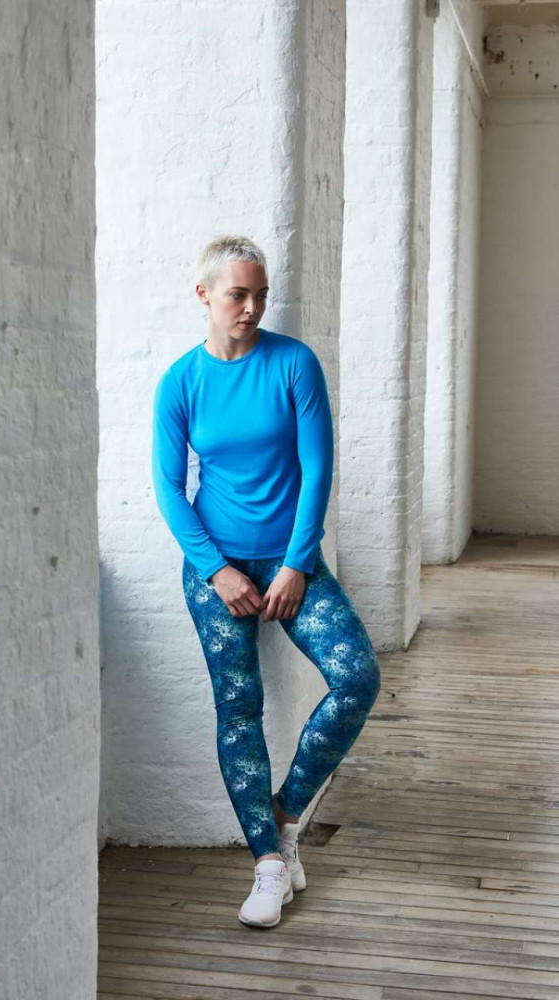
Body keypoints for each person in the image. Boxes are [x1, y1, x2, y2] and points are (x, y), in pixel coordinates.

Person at [151, 234, 381, 928]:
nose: (250, 307)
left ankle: (284, 816)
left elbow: (317, 469)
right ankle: (268, 864)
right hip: (215, 570)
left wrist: (296, 564)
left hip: (290, 562)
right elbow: (168, 488)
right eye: (237, 295)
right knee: (238, 705)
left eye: (259, 295)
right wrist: (216, 570)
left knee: (357, 677)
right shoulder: (180, 382)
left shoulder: (293, 363)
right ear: (204, 296)